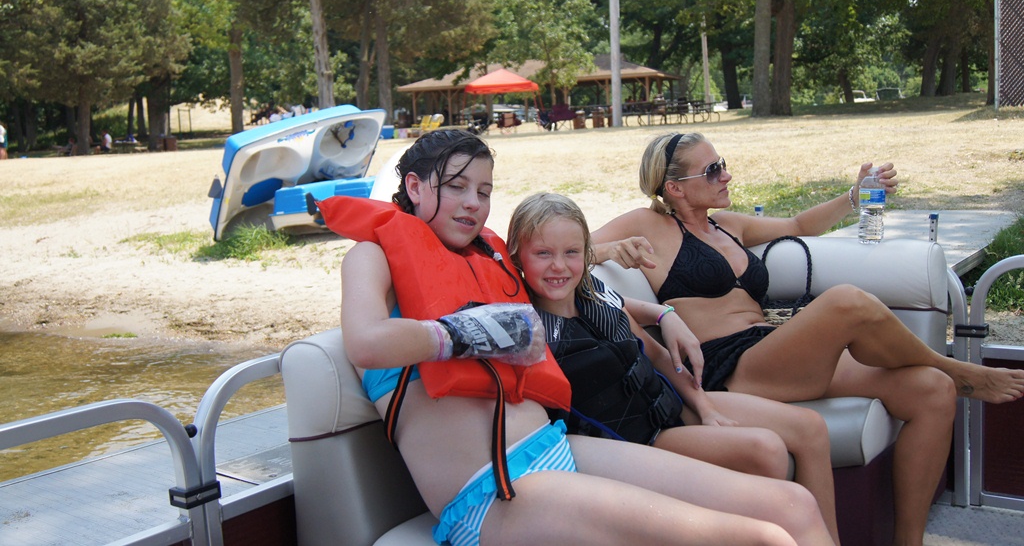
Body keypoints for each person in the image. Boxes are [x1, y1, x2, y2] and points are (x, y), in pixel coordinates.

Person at [323, 129, 835, 546]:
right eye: (456, 186)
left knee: (791, 506)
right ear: (415, 187)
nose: (472, 204)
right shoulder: (374, 257)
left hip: (562, 449)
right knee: (761, 539)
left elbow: (570, 276)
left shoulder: (485, 262)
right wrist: (470, 332)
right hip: (493, 492)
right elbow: (366, 342)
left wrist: (661, 311)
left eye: (484, 191)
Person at [591, 131, 1024, 546]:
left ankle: (908, 540)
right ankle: (955, 367)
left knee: (931, 390)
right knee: (846, 303)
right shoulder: (648, 224)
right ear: (675, 188)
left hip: (769, 348)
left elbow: (799, 224)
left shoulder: (726, 225)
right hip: (726, 367)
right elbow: (569, 249)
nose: (726, 175)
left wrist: (854, 195)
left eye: (722, 164)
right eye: (712, 171)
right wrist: (610, 251)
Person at [508, 191, 840, 544]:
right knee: (766, 449)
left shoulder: (597, 297)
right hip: (638, 440)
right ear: (516, 258)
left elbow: (658, 356)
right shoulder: (525, 331)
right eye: (543, 254)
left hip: (670, 403)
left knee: (807, 427)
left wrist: (706, 408)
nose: (559, 266)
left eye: (571, 253)